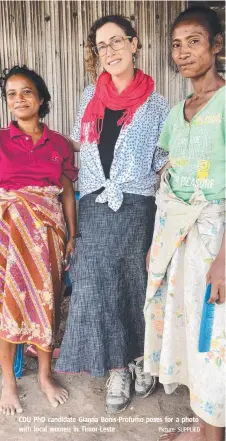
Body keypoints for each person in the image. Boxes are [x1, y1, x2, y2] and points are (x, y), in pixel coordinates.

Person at [56, 15, 169, 414]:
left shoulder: (156, 103)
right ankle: (117, 368)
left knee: (136, 286)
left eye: (117, 41)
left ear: (135, 44)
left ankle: (141, 357)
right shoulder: (90, 96)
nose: (110, 51)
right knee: (95, 288)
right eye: (102, 46)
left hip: (137, 205)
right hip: (94, 205)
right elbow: (82, 149)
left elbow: (162, 160)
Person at [144, 6, 225, 441]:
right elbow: (171, 181)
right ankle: (202, 429)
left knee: (214, 341)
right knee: (192, 333)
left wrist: (223, 261)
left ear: (216, 46)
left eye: (194, 41)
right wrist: (158, 243)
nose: (183, 52)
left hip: (216, 242)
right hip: (179, 242)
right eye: (176, 44)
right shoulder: (177, 113)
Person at [0, 65, 78, 415]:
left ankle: (45, 376)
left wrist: (72, 235)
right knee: (7, 306)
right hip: (8, 240)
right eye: (11, 94)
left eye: (26, 92)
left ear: (42, 98)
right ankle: (9, 384)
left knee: (46, 303)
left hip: (47, 236)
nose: (18, 99)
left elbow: (65, 192)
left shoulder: (59, 144)